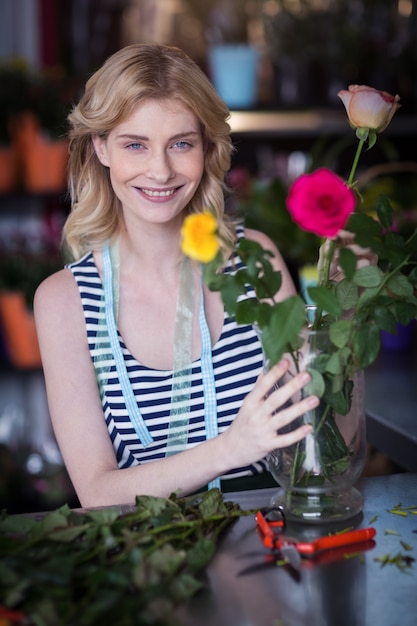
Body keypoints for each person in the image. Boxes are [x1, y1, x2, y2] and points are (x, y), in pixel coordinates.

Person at [34, 43, 321, 508]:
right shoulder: (65, 301)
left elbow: (320, 436)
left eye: (181, 143)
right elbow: (97, 492)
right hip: (150, 568)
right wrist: (233, 448)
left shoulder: (254, 258)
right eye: (135, 145)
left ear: (207, 148)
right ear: (101, 147)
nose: (161, 170)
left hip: (272, 547)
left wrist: (345, 322)